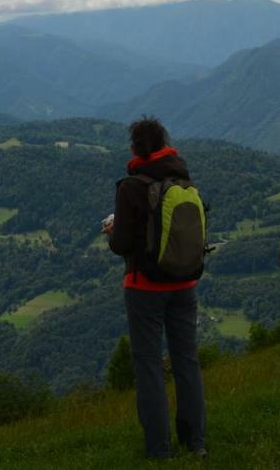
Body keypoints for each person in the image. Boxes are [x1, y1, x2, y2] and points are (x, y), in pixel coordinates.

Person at [104, 117, 206, 460]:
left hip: (144, 287)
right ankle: (196, 443)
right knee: (187, 362)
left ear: (135, 148)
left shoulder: (131, 187)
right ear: (164, 142)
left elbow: (120, 245)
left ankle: (160, 450)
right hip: (185, 282)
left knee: (149, 365)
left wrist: (111, 231)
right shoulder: (183, 178)